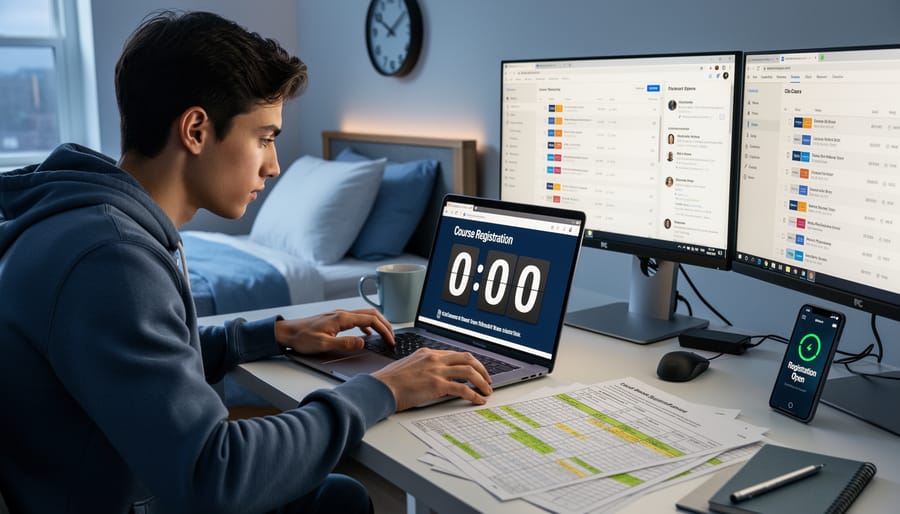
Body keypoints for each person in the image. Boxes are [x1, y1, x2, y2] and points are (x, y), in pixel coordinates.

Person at [0, 10, 491, 514]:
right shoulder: (113, 260)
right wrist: (383, 389)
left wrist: (271, 334)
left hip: (93, 483)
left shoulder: (89, 220)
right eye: (265, 138)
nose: (274, 165)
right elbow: (214, 474)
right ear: (195, 129)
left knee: (335, 496)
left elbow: (154, 354)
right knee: (336, 501)